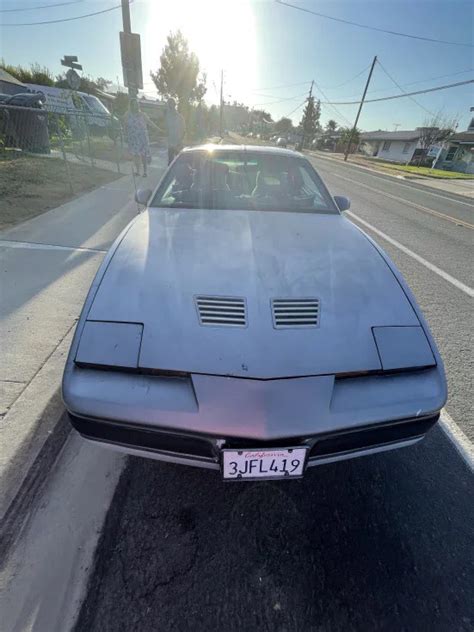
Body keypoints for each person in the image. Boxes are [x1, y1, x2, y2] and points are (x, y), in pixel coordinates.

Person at [123, 99, 160, 177]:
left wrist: (158, 129)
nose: (136, 106)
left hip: (142, 138)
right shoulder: (127, 115)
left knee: (144, 155)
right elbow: (125, 126)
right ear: (131, 105)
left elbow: (150, 123)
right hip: (133, 138)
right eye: (134, 104)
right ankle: (138, 171)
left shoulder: (142, 115)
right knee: (136, 155)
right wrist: (125, 135)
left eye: (137, 104)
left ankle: (145, 172)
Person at [166, 98, 186, 165]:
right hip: (170, 143)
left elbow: (184, 130)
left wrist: (180, 141)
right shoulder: (168, 116)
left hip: (178, 143)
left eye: (171, 104)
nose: (170, 106)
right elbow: (167, 129)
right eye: (169, 104)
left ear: (174, 105)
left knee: (180, 162)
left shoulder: (180, 117)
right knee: (170, 163)